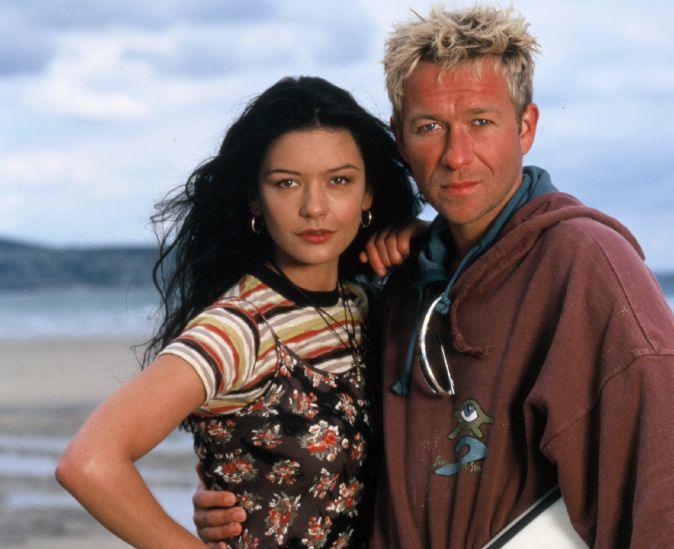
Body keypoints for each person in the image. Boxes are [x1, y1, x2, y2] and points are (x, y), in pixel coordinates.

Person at [196, 6, 674, 547]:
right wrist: (248, 491)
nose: (457, 156)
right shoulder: (404, 280)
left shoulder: (583, 264)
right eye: (430, 127)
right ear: (401, 141)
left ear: (524, 128)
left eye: (481, 122)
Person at [56, 76, 420, 548]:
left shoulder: (362, 304)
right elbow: (88, 462)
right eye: (286, 183)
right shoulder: (239, 328)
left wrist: (423, 236)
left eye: (339, 181)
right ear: (255, 198)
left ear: (368, 194)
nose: (315, 207)